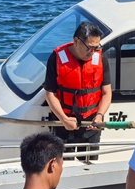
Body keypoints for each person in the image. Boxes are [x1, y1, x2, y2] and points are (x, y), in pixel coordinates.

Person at [44, 21, 113, 163]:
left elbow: (106, 92)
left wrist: (99, 115)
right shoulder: (56, 58)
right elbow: (50, 93)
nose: (92, 52)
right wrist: (64, 119)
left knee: (89, 164)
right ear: (76, 41)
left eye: (96, 47)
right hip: (64, 124)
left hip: (91, 124)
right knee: (62, 165)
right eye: (89, 47)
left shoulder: (101, 58)